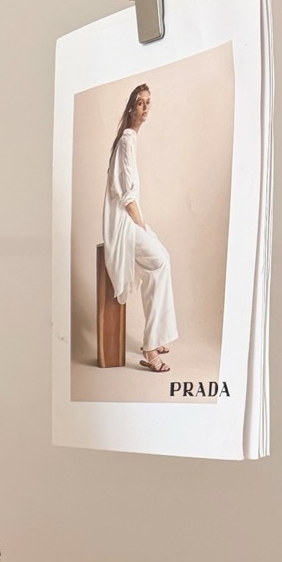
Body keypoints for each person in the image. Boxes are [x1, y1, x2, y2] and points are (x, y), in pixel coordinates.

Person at [102, 83, 178, 373]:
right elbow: (127, 195)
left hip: (128, 219)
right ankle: (150, 348)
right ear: (131, 108)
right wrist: (141, 226)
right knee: (160, 262)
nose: (145, 107)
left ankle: (154, 337)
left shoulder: (129, 139)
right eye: (140, 102)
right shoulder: (126, 141)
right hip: (123, 223)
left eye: (148, 102)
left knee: (160, 262)